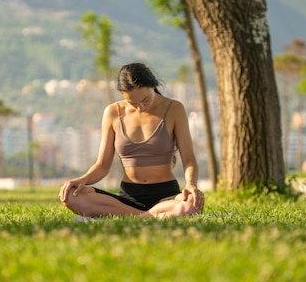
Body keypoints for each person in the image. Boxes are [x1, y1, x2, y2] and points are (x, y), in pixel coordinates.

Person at [59, 62, 204, 218]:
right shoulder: (113, 113)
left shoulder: (174, 109)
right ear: (122, 94)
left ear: (153, 86)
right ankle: (151, 216)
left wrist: (191, 184)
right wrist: (82, 180)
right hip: (127, 198)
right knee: (71, 195)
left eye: (145, 100)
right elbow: (102, 165)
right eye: (132, 103)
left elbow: (189, 159)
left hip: (167, 196)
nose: (140, 107)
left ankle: (136, 217)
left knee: (191, 204)